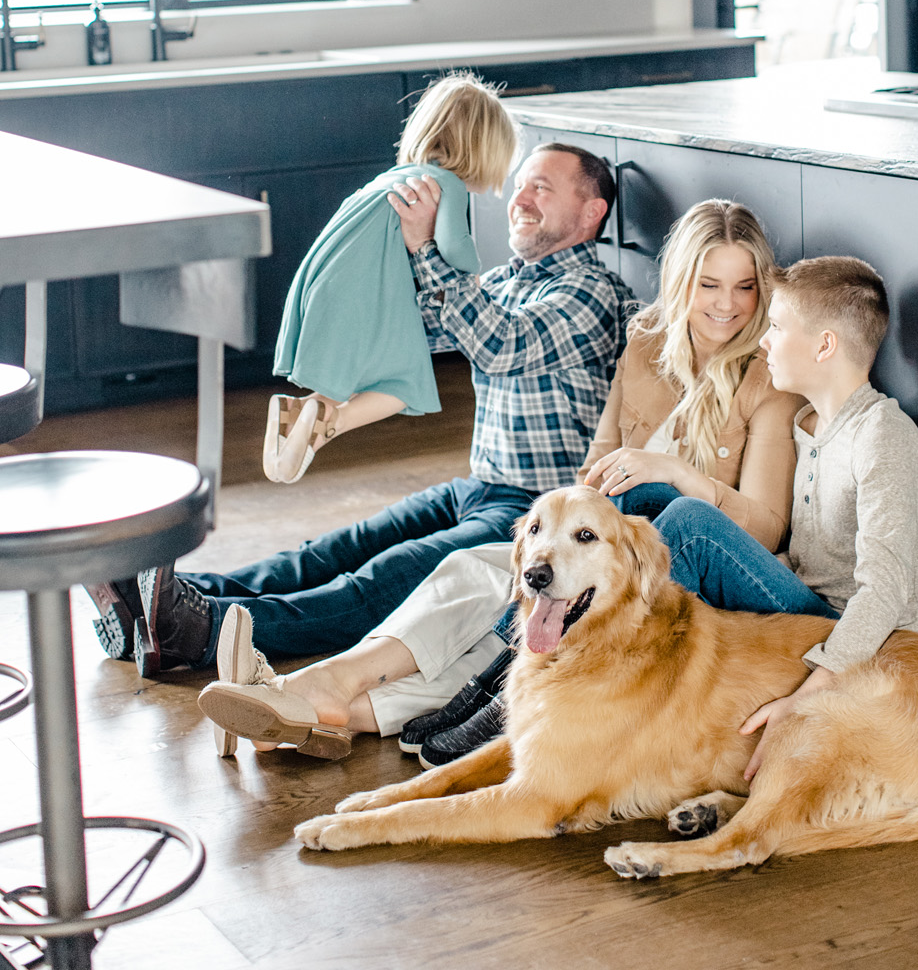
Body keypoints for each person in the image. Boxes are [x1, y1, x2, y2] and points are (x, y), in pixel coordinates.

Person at [196, 200, 808, 760]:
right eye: (709, 285)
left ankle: (317, 693)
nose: (727, 305)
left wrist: (674, 471)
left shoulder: (766, 378)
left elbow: (766, 528)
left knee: (502, 595)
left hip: (682, 578)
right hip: (607, 552)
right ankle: (337, 707)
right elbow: (595, 465)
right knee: (481, 575)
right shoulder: (646, 343)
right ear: (681, 284)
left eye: (745, 287)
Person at [87, 142, 633, 702]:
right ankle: (157, 601)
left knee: (378, 582)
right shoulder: (505, 282)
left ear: (591, 212)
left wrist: (425, 244)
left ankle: (196, 630)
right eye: (521, 184)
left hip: (535, 511)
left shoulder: (591, 292)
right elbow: (425, 336)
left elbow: (499, 344)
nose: (520, 197)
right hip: (479, 485)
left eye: (541, 187)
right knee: (329, 552)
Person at [654, 254, 918, 782]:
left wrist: (805, 698)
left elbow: (884, 592)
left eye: (778, 327)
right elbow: (809, 559)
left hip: (861, 644)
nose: (763, 340)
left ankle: (594, 691)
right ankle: (504, 687)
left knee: (688, 524)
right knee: (644, 500)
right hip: (809, 606)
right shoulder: (808, 425)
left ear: (825, 345)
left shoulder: (883, 437)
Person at [265, 71, 518, 483]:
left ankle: (307, 412)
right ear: (485, 149)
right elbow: (453, 246)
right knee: (402, 383)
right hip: (366, 296)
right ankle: (321, 421)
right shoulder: (444, 184)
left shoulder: (390, 178)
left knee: (359, 375)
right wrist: (477, 271)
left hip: (324, 287)